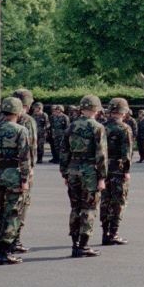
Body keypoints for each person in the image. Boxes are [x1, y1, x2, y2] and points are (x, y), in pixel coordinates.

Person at [0, 97, 31, 266]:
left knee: (0, 212)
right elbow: (25, 158)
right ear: (17, 112)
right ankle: (4, 252)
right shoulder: (20, 130)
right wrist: (25, 179)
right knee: (13, 213)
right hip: (13, 174)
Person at [63, 95, 108, 258]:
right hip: (89, 171)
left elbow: (64, 150)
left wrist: (65, 172)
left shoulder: (71, 126)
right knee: (88, 208)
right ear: (96, 109)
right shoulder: (97, 127)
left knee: (75, 207)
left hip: (73, 169)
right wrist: (102, 177)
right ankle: (83, 245)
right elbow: (101, 154)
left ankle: (74, 244)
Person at [10, 89, 40, 255]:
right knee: (21, 206)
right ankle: (15, 240)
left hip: (2, 169)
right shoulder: (27, 120)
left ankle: (6, 239)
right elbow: (31, 147)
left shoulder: (2, 118)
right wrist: (30, 169)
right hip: (21, 168)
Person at [101, 98, 133, 246]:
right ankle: (113, 233)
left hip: (103, 168)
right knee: (118, 201)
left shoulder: (101, 127)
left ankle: (105, 232)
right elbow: (126, 153)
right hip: (117, 169)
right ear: (123, 111)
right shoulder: (124, 128)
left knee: (105, 201)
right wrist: (127, 170)